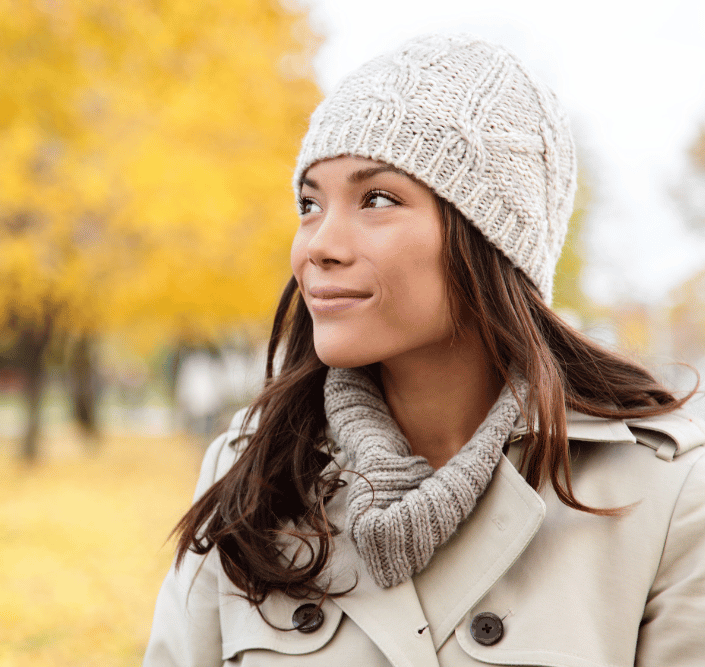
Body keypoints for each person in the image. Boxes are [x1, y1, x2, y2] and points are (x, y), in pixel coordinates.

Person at [143, 33, 705, 666]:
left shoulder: (664, 495)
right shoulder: (254, 471)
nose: (316, 246)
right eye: (309, 203)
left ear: (491, 240)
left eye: (377, 199)